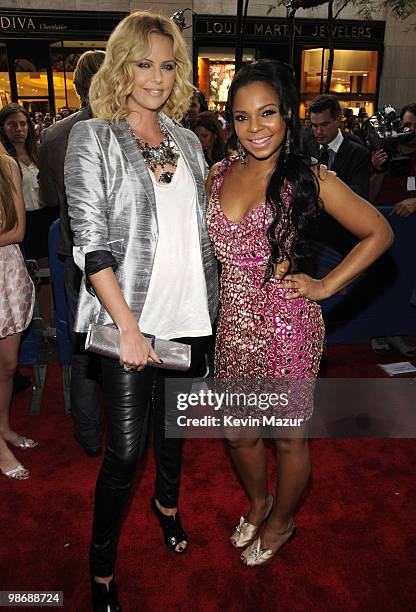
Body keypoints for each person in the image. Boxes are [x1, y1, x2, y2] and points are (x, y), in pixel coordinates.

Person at [206, 59, 393, 567]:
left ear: (287, 114)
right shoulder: (217, 173)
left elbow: (380, 231)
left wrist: (326, 284)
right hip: (232, 328)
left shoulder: (307, 176)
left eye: (266, 113)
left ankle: (284, 522)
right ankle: (260, 502)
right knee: (240, 432)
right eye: (242, 117)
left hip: (288, 327)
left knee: (288, 439)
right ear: (231, 122)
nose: (255, 127)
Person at [64, 11, 218, 611]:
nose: (155, 76)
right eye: (143, 63)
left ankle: (168, 506)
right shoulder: (94, 136)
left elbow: (204, 229)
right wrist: (126, 328)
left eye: (167, 63)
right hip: (129, 322)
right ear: (121, 65)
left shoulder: (186, 140)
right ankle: (101, 568)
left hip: (190, 312)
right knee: (126, 451)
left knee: (175, 432)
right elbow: (89, 242)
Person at [38, 50, 106, 457]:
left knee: (83, 346)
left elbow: (48, 197)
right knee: (132, 339)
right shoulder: (124, 129)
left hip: (75, 254)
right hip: (125, 258)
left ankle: (87, 435)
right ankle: (130, 431)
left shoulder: (54, 135)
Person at [0, 103, 56, 338]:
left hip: (41, 218)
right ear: (3, 128)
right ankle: (23, 328)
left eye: (23, 124)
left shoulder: (37, 152)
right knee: (18, 278)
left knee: (45, 275)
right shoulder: (5, 160)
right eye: (13, 124)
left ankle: (47, 325)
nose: (19, 129)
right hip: (16, 223)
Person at [0, 143, 36, 480]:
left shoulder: (6, 165)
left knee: (9, 367)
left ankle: (4, 428)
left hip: (7, 272)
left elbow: (18, 231)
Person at [303, 94, 371, 198]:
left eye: (325, 125)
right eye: (314, 125)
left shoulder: (359, 154)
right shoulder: (305, 147)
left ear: (338, 121)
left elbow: (358, 196)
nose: (319, 132)